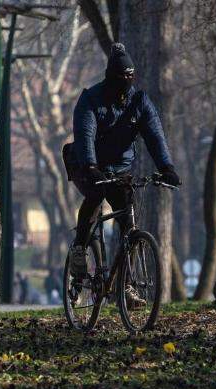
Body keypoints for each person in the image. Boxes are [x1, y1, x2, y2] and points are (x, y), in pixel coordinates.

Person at [66, 42, 180, 278]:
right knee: (95, 195)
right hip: (86, 165)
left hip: (119, 168)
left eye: (130, 76)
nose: (126, 80)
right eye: (121, 76)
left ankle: (126, 285)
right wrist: (90, 166)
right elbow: (85, 134)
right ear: (111, 76)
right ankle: (79, 247)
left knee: (128, 223)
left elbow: (155, 136)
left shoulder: (140, 102)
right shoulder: (91, 99)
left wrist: (166, 167)